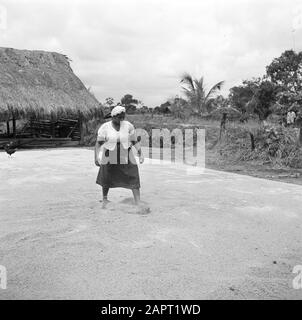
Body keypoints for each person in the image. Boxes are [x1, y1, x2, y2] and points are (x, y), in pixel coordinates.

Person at [94, 105, 144, 208]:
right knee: (107, 175)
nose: (121, 119)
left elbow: (134, 140)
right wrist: (96, 157)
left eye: (123, 117)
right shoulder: (105, 127)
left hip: (126, 152)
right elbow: (98, 144)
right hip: (109, 153)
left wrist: (140, 152)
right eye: (119, 117)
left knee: (133, 174)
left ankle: (138, 201)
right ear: (113, 117)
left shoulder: (128, 125)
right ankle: (104, 199)